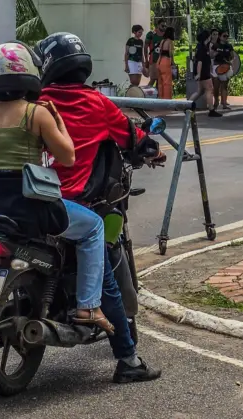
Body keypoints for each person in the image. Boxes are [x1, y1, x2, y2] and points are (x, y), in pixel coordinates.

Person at [0, 42, 113, 336]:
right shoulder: (37, 114)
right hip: (28, 206)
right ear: (29, 74)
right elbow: (68, 157)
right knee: (93, 227)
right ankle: (88, 306)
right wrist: (58, 122)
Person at [35, 32, 163, 384]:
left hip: (25, 202)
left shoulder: (36, 103)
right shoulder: (97, 103)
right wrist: (153, 150)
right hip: (72, 205)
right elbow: (133, 138)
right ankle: (128, 360)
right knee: (105, 274)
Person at [192, 29, 221, 118]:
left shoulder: (203, 46)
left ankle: (187, 105)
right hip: (203, 71)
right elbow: (200, 62)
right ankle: (211, 110)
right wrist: (199, 74)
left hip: (204, 71)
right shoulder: (202, 48)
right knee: (209, 89)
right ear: (207, 37)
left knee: (200, 91)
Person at [213, 31, 235, 110]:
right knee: (216, 86)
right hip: (216, 66)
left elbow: (232, 56)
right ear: (220, 36)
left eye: (227, 36)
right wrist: (216, 53)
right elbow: (211, 55)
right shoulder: (216, 45)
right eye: (224, 36)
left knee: (224, 85)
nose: (226, 37)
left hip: (226, 67)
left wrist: (230, 61)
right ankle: (216, 101)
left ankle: (224, 103)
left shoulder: (229, 46)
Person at [155, 26, 176, 99]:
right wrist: (173, 62)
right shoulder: (170, 42)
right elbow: (170, 53)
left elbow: (160, 53)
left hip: (159, 62)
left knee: (160, 82)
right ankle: (167, 99)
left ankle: (161, 98)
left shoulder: (162, 41)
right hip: (166, 62)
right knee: (167, 82)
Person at [125, 25, 144, 90]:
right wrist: (126, 65)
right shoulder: (130, 40)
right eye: (139, 32)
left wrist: (143, 65)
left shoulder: (141, 41)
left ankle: (135, 92)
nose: (140, 34)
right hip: (132, 61)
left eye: (141, 32)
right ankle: (130, 92)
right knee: (133, 81)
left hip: (139, 62)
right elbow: (127, 53)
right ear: (134, 32)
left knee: (137, 82)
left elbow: (141, 53)